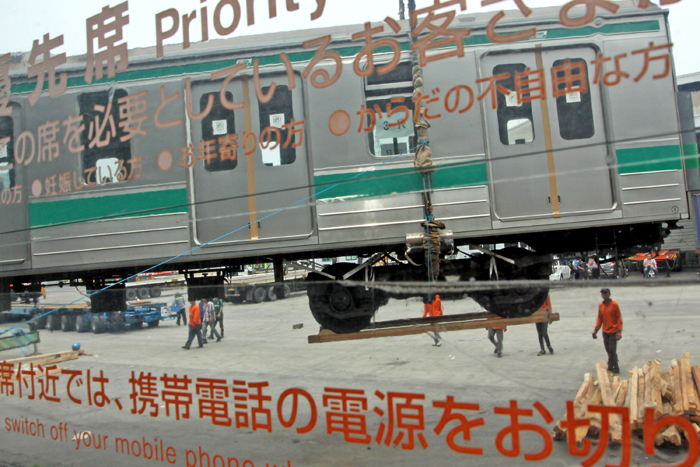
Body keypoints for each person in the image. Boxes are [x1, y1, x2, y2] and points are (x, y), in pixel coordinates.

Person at [592, 288, 623, 374]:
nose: (604, 295)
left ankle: (610, 367)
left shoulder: (614, 305)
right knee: (609, 351)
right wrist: (595, 330)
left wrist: (619, 331)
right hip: (605, 331)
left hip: (614, 331)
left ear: (609, 294)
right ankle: (616, 367)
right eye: (602, 294)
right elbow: (600, 318)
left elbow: (619, 318)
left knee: (612, 350)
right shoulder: (601, 305)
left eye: (605, 293)